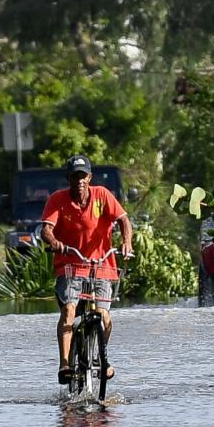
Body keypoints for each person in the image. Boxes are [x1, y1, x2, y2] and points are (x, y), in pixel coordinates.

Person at [42, 156, 134, 384]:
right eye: (75, 176)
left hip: (102, 267)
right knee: (69, 311)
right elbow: (46, 229)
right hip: (71, 266)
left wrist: (126, 242)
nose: (80, 181)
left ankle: (103, 358)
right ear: (69, 179)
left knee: (105, 316)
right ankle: (65, 364)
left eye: (83, 176)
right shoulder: (58, 199)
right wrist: (54, 242)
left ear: (90, 178)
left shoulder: (102, 195)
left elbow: (124, 220)